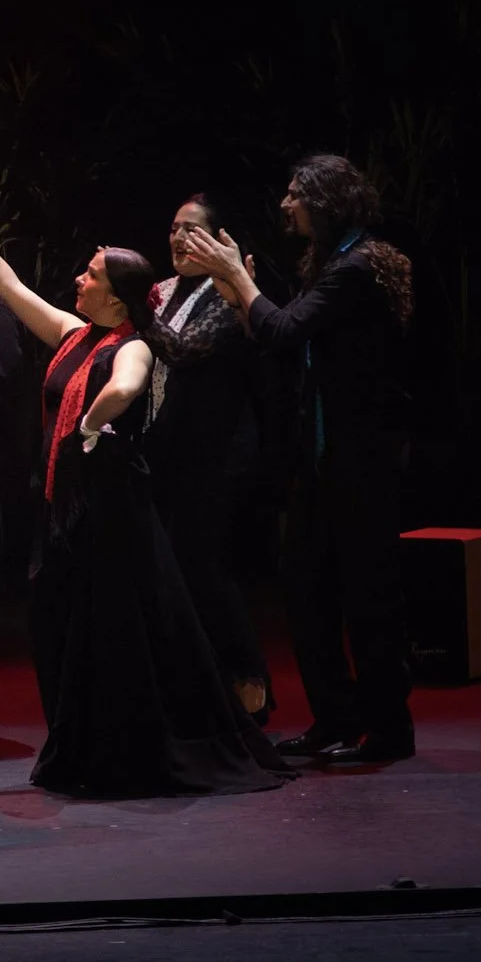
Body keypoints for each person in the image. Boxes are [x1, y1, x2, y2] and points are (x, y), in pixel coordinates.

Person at [0, 179, 289, 799]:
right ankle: (77, 745)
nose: (79, 278)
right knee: (60, 630)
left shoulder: (132, 345)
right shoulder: (77, 335)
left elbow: (127, 386)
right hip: (67, 511)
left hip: (112, 515)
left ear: (118, 296)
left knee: (113, 637)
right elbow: (16, 291)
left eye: (92, 273)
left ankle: (118, 753)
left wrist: (92, 422)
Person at [182, 154, 415, 765]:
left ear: (325, 199)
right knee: (306, 589)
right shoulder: (330, 264)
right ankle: (337, 717)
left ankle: (389, 729)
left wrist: (238, 276)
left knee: (366, 597)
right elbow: (283, 343)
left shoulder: (358, 268)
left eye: (294, 194)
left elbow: (285, 331)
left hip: (360, 462)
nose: (285, 204)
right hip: (320, 463)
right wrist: (239, 296)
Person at [145, 194, 273, 720]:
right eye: (174, 228)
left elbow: (184, 349)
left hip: (217, 459)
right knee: (175, 573)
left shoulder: (230, 293)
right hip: (168, 456)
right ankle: (200, 690)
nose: (178, 238)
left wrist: (131, 306)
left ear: (220, 241)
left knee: (205, 571)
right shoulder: (164, 290)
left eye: (192, 230)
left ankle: (251, 684)